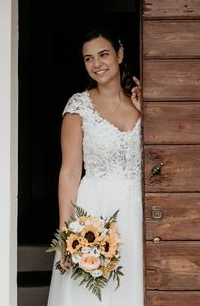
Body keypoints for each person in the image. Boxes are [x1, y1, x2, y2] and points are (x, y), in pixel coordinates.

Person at [47, 29, 143, 306]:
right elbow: (70, 172)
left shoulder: (141, 102)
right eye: (89, 59)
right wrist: (66, 231)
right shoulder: (78, 106)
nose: (97, 64)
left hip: (138, 210)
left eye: (103, 55)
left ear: (120, 54)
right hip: (94, 211)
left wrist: (147, 111)